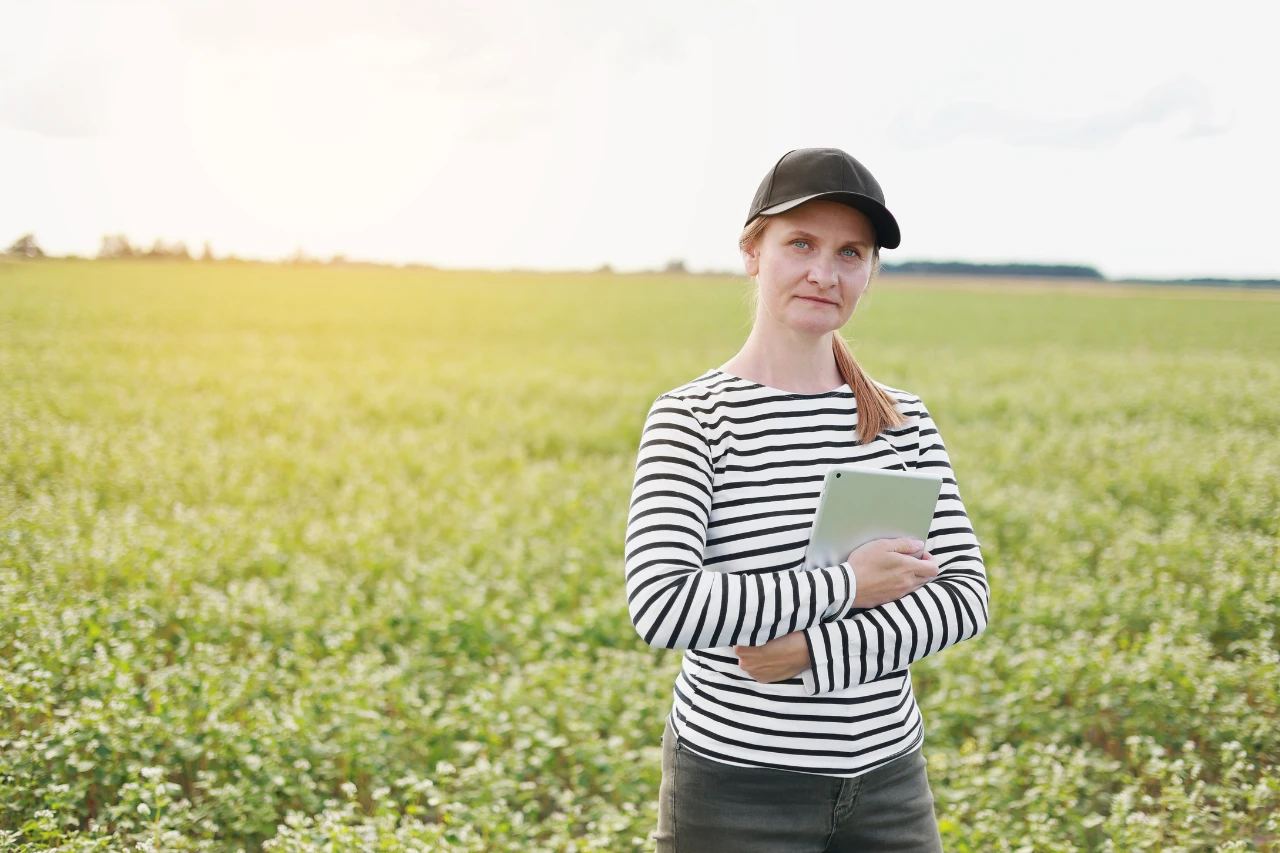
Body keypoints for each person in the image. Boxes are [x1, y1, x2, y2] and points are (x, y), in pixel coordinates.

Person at [623, 148, 991, 852]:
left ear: (870, 272)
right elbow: (663, 604)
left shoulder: (903, 420)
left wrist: (811, 651)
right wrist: (850, 583)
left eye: (851, 253)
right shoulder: (693, 419)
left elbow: (964, 597)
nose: (826, 273)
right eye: (801, 244)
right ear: (752, 252)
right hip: (737, 789)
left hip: (889, 784)